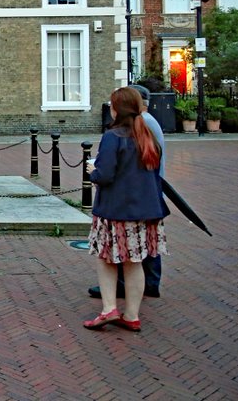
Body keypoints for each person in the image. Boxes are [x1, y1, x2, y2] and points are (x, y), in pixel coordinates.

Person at [83, 86, 168, 332]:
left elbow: (106, 175)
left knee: (106, 258)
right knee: (135, 262)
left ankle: (109, 308)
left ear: (118, 109)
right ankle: (131, 314)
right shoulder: (147, 135)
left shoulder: (113, 137)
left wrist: (93, 172)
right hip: (145, 211)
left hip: (115, 210)